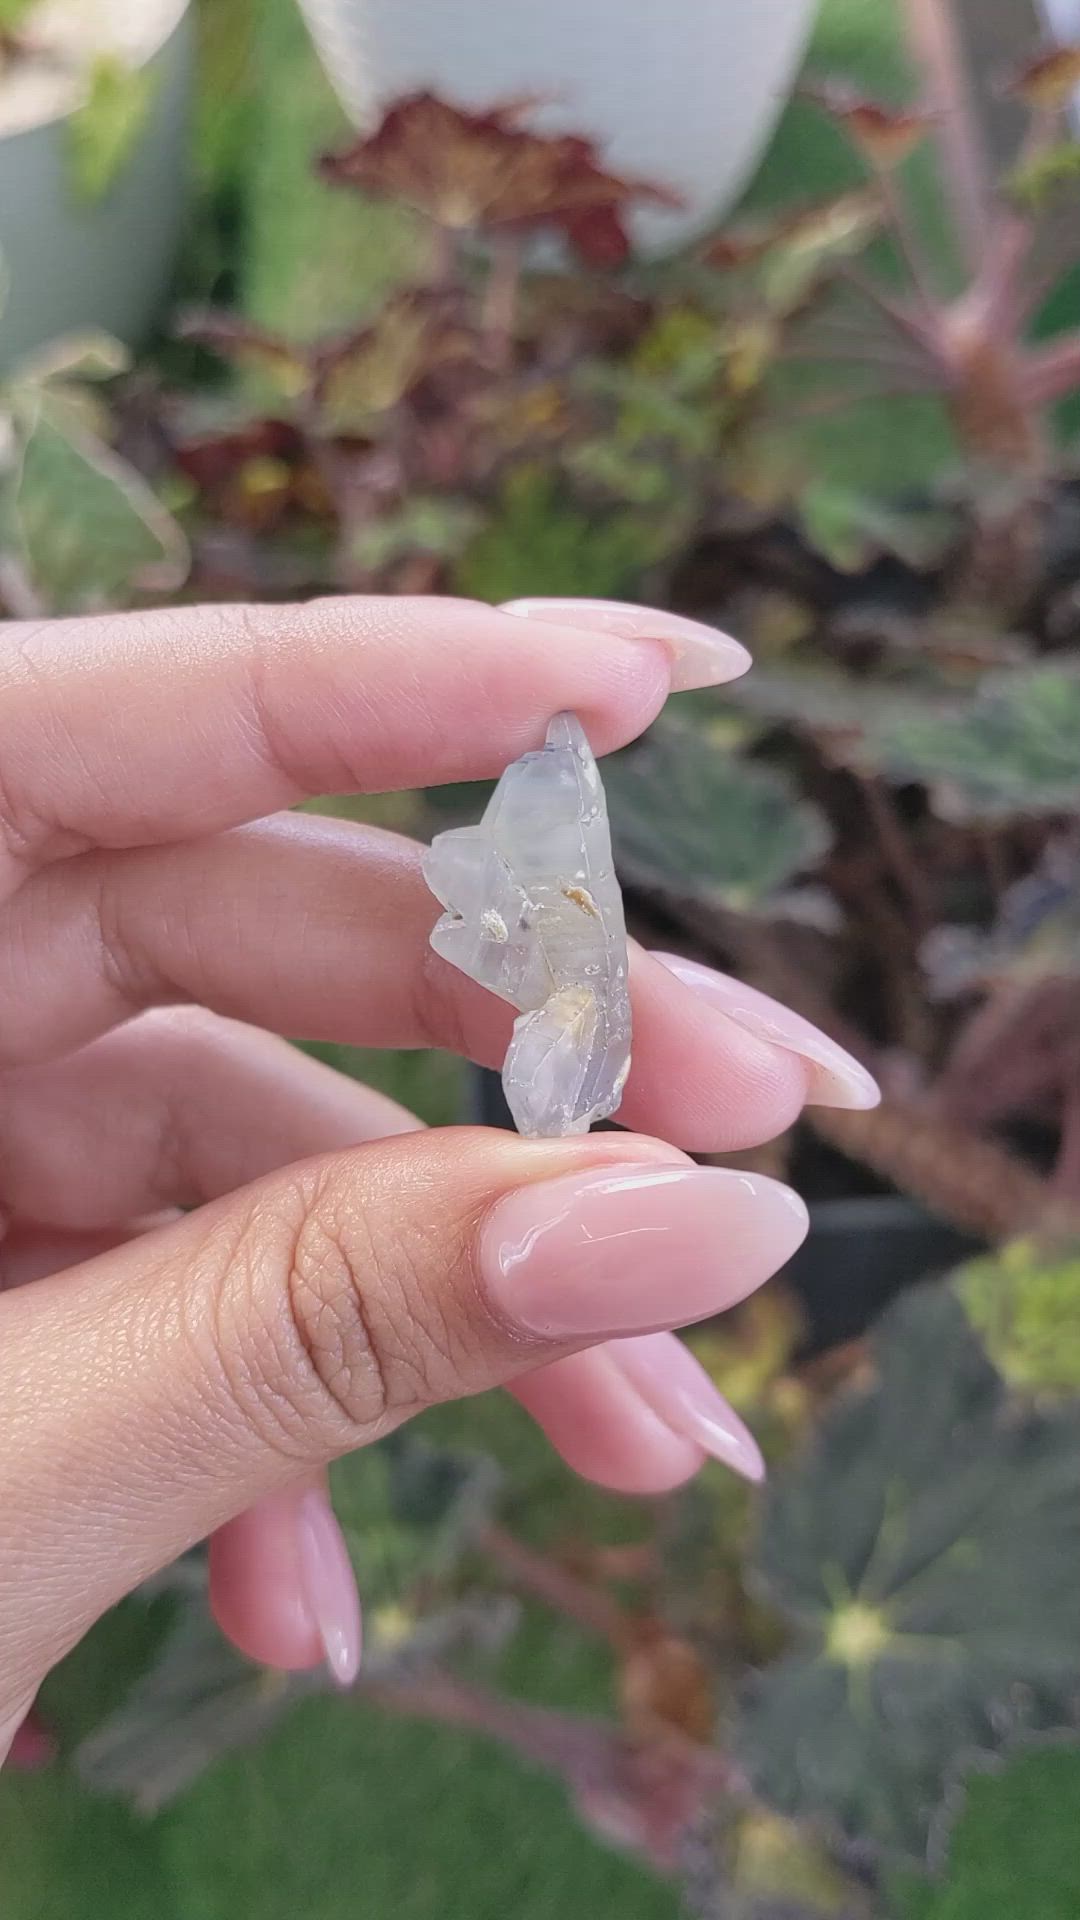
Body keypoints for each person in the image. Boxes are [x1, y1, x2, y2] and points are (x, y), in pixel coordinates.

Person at [0, 593, 879, 1763]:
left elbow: (494, 909)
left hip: (555, 1000)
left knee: (565, 1027)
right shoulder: (536, 873)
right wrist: (351, 1321)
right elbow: (479, 906)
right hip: (549, 992)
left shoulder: (552, 896)